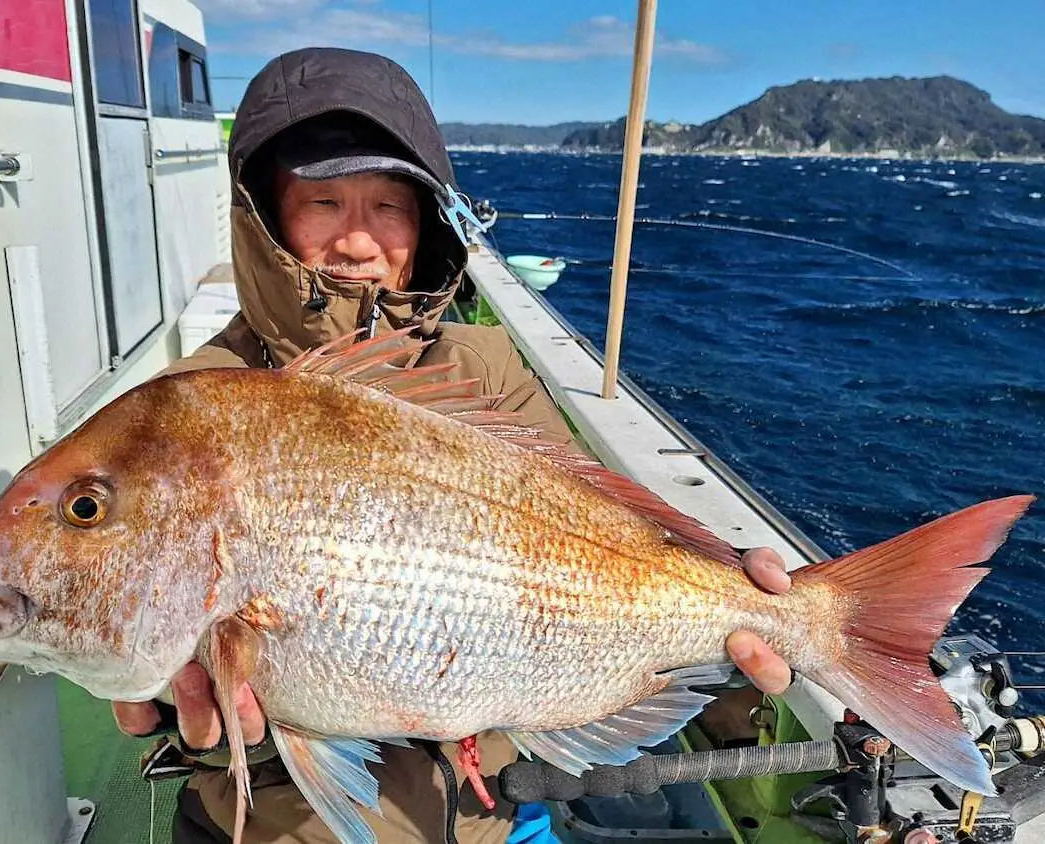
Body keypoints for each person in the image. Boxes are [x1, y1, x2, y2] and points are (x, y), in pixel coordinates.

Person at [112, 47, 796, 844]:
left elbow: (609, 554)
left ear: (427, 221)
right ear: (263, 218)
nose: (360, 242)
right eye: (324, 203)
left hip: (491, 816)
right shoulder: (192, 409)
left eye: (390, 207)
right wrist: (165, 706)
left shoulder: (486, 371)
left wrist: (735, 623)